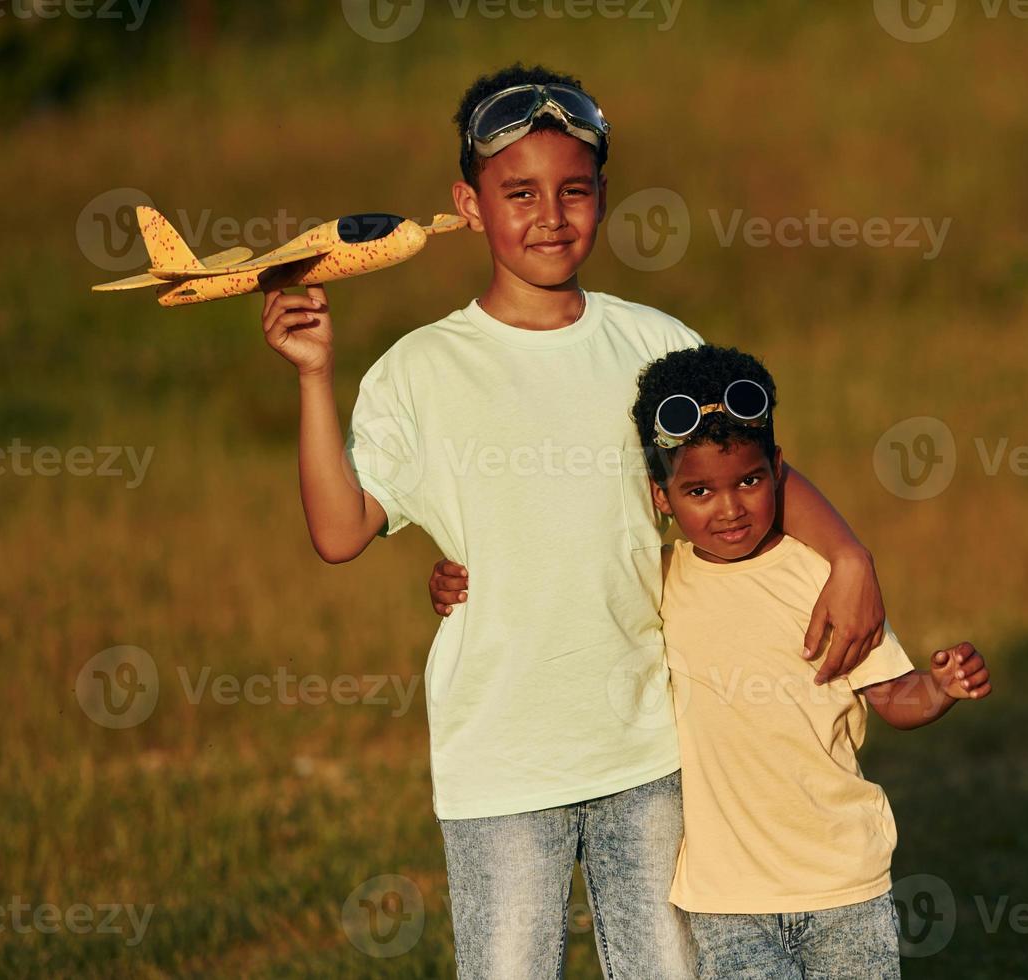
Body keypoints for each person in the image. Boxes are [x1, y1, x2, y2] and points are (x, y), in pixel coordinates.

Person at [260, 62, 888, 979]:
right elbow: (341, 530)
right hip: (500, 761)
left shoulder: (657, 345)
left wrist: (849, 554)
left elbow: (758, 472)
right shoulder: (419, 369)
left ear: (602, 198)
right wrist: (315, 374)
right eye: (518, 192)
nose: (549, 216)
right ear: (469, 206)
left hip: (651, 751)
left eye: (574, 191)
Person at [435, 343, 992, 979]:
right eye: (699, 490)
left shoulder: (825, 581)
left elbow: (897, 700)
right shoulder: (658, 581)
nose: (728, 508)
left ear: (777, 470)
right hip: (726, 902)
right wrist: (454, 582)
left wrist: (942, 685)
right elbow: (563, 596)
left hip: (845, 884)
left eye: (748, 482)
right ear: (662, 496)